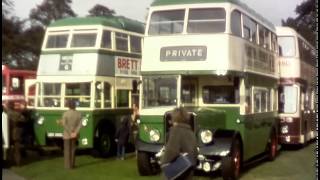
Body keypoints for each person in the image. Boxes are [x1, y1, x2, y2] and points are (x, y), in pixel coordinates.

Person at [161, 107, 198, 180]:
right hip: (189, 168)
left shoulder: (176, 131)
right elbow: (195, 151)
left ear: (174, 118)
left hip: (176, 169)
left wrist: (163, 162)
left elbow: (172, 151)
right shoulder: (191, 132)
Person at [61, 100, 82, 169]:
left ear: (68, 106)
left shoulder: (65, 114)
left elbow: (64, 124)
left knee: (67, 150)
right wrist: (75, 132)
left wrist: (70, 132)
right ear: (74, 106)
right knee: (73, 149)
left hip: (67, 134)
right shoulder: (79, 114)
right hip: (75, 134)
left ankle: (67, 166)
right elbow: (80, 124)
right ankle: (72, 164)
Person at [6, 102, 26, 166]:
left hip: (7, 134)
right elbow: (24, 120)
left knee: (8, 150)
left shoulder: (5, 114)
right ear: (13, 106)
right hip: (16, 134)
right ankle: (18, 163)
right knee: (17, 150)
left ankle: (8, 163)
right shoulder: (18, 114)